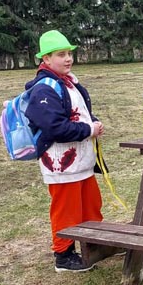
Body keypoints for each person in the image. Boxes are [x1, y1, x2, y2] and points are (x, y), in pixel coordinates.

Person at [25, 29, 104, 271]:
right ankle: (64, 255)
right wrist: (89, 129)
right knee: (66, 210)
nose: (68, 58)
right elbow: (55, 127)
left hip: (81, 161)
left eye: (69, 53)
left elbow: (78, 112)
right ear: (46, 59)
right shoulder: (44, 89)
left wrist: (92, 122)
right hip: (62, 164)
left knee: (91, 204)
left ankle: (94, 243)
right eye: (61, 54)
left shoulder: (67, 82)